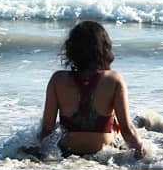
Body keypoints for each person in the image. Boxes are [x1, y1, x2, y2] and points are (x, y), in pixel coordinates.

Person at [40, 20, 144, 159]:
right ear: (104, 48)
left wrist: (38, 154)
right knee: (124, 126)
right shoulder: (114, 79)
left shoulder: (58, 79)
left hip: (68, 154)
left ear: (71, 50)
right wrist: (142, 155)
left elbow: (47, 129)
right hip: (104, 154)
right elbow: (127, 129)